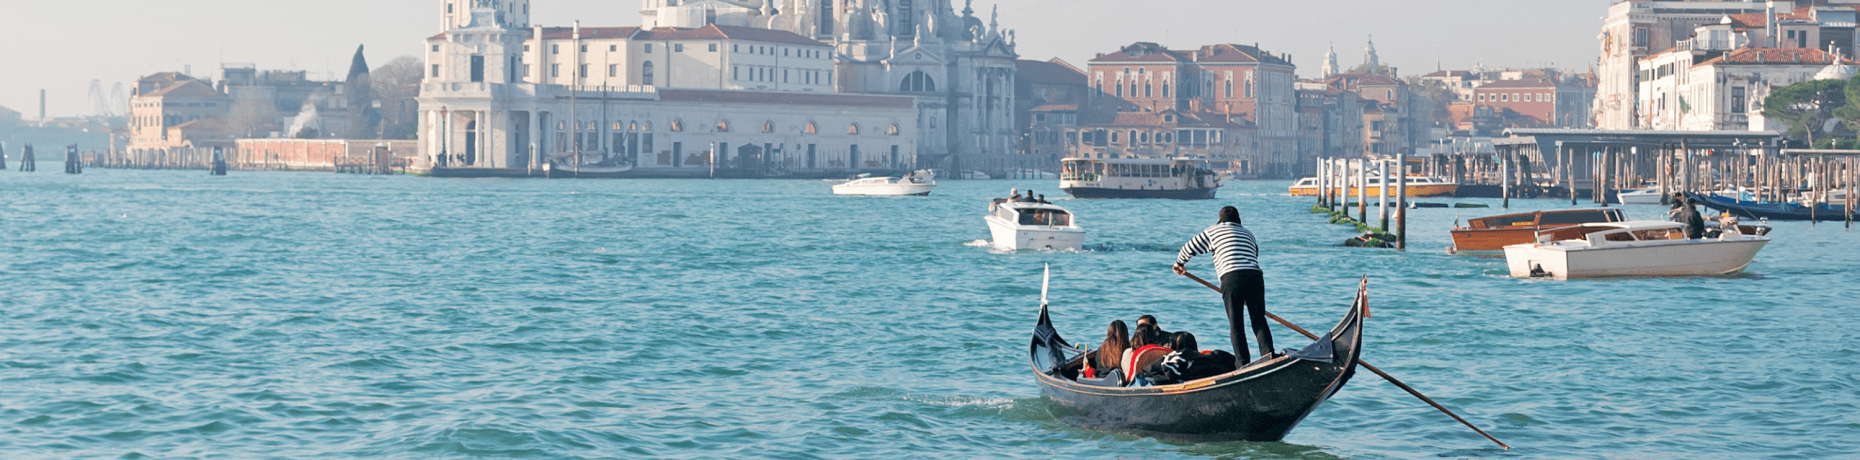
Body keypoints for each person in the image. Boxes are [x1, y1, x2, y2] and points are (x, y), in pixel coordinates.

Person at [1173, 206, 1273, 367]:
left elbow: (1189, 247)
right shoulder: (1248, 233)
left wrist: (1180, 263)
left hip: (1231, 276)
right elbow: (1254, 254)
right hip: (1255, 276)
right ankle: (1269, 355)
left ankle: (1242, 363)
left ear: (1220, 220)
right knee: (1259, 320)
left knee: (1236, 324)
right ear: (1238, 220)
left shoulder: (1213, 231)